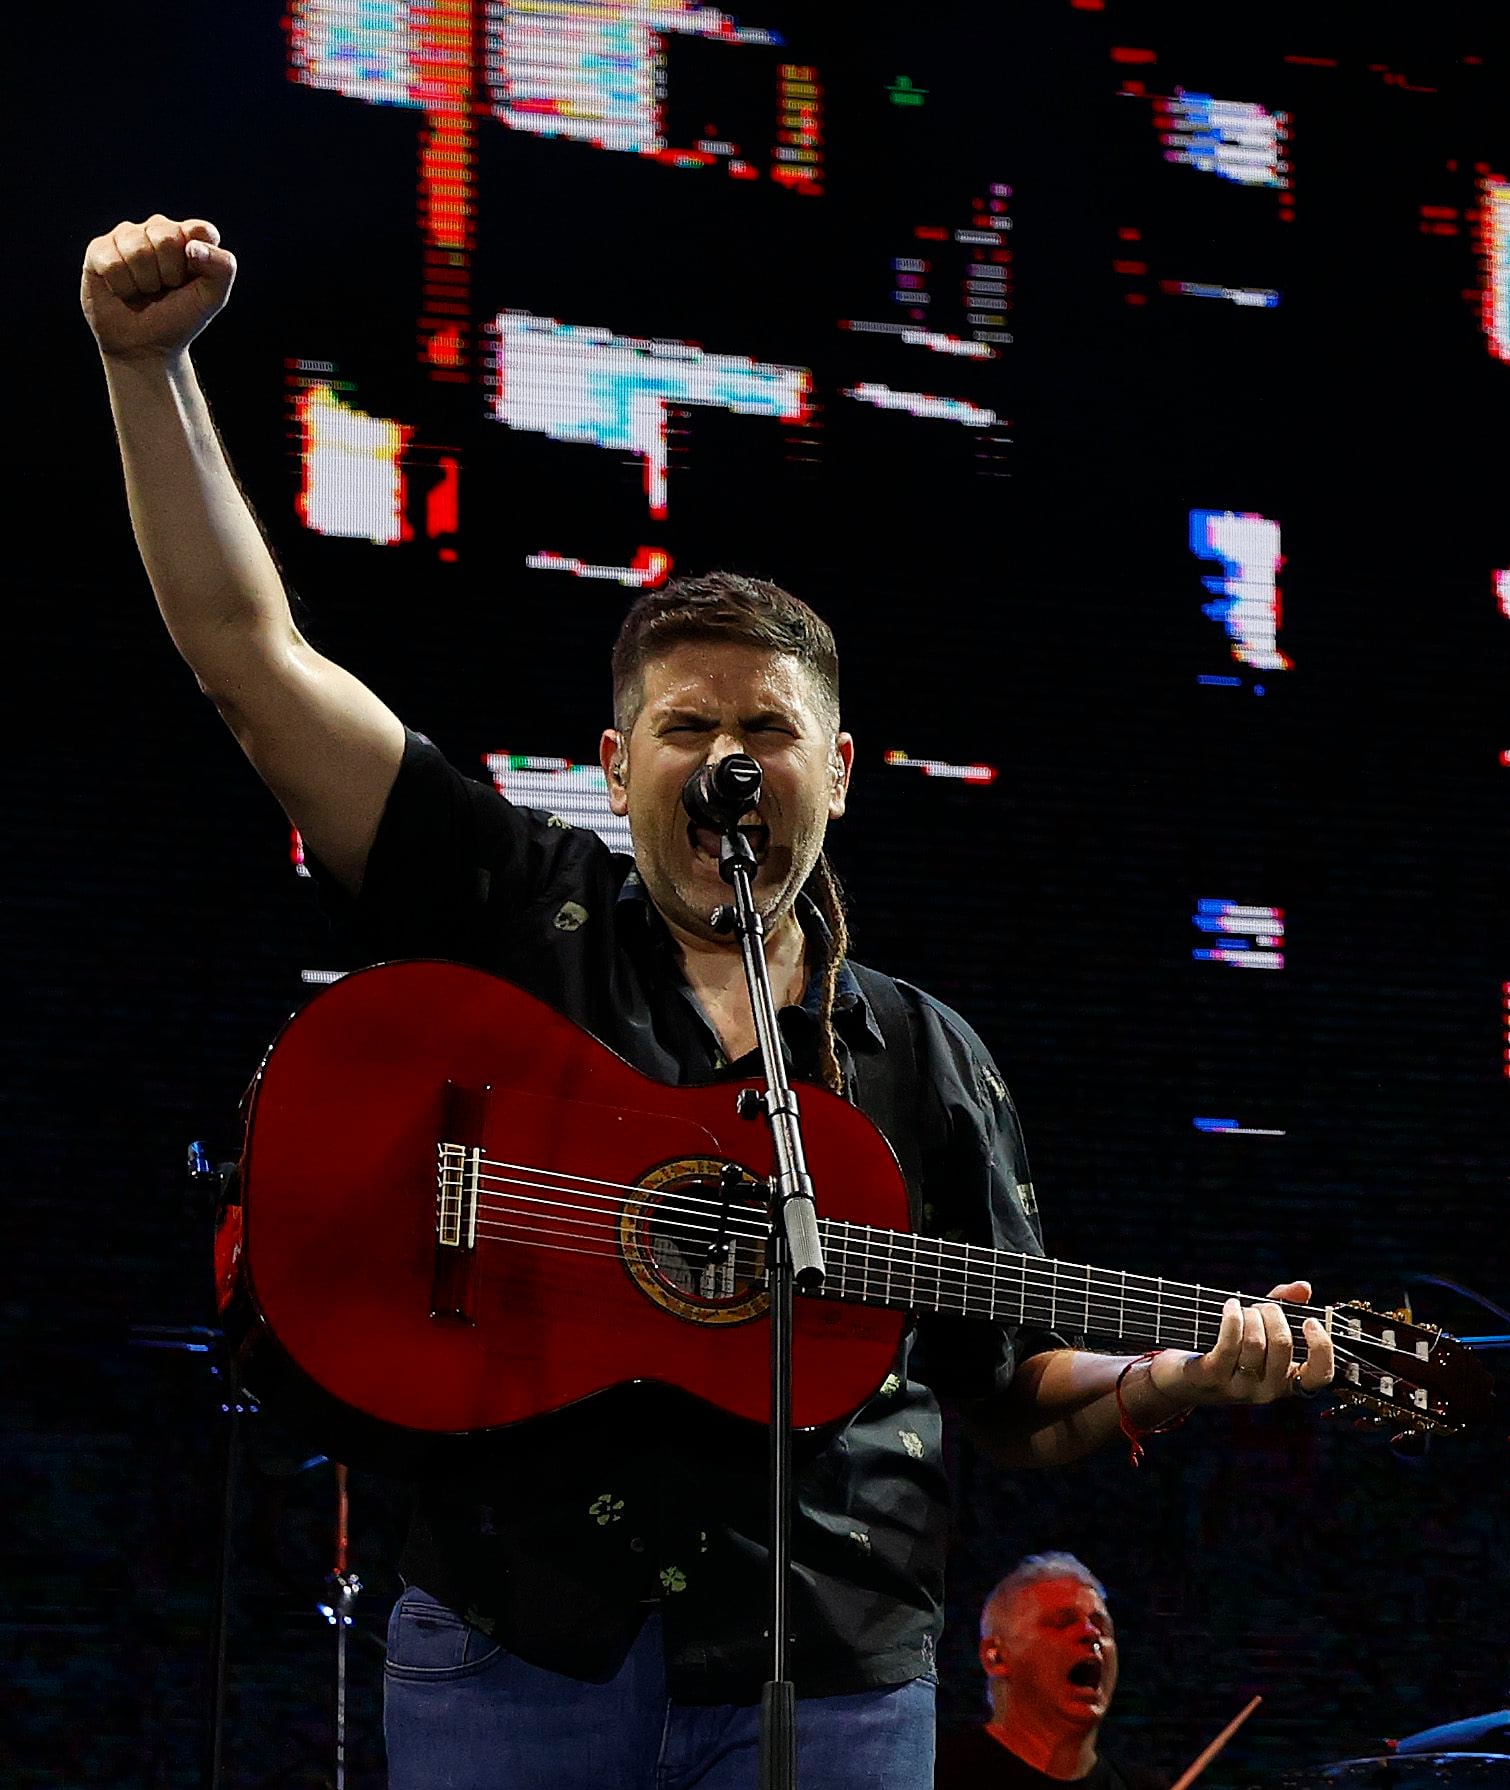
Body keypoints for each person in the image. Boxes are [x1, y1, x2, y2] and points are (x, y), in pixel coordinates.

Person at [84, 212, 1335, 1790]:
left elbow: (1011, 1385)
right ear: (617, 767)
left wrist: (1177, 1371)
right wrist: (149, 372)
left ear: (839, 773)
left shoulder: (925, 1056)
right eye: (684, 726)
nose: (724, 757)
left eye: (767, 725)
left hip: (833, 1664)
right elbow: (251, 662)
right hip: (513, 1644)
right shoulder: (515, 913)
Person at [936, 1554, 1146, 1790]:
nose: (1091, 1633)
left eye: (1101, 1625)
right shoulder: (932, 1776)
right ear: (997, 1657)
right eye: (1062, 1622)